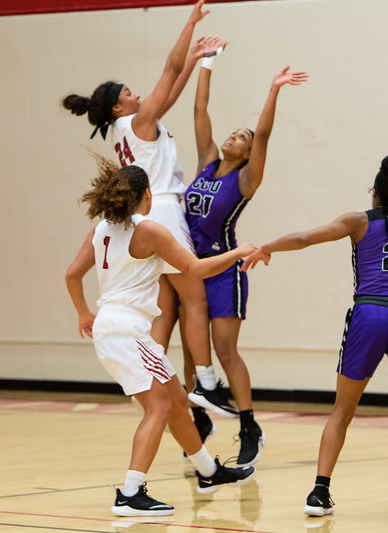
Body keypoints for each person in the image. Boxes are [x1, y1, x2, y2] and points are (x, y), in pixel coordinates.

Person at [243, 154, 388, 517]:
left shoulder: (358, 221)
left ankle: (320, 492)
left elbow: (304, 238)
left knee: (342, 409)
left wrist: (266, 248)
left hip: (368, 315)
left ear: (374, 193)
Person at [62, 0, 237, 420]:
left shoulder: (129, 128)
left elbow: (170, 91)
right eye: (128, 91)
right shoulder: (137, 121)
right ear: (118, 105)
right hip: (162, 212)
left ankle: (157, 378)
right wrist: (190, 25)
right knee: (194, 297)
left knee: (164, 306)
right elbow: (169, 71)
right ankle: (207, 383)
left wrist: (195, 58)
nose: (136, 92)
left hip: (143, 216)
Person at [64, 155, 255, 516]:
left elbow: (72, 275)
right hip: (127, 331)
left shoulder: (100, 229)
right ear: (147, 194)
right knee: (159, 407)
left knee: (177, 400)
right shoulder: (149, 230)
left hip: (118, 327)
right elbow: (195, 269)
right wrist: (238, 252)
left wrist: (84, 313)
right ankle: (130, 493)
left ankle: (208, 472)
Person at [185, 54, 308, 467]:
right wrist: (206, 64)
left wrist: (274, 89)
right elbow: (199, 110)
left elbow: (265, 135)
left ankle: (250, 426)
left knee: (225, 350)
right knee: (191, 351)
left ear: (248, 152)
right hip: (191, 269)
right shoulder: (206, 163)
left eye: (241, 137)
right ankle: (200, 419)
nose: (233, 136)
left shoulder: (245, 179)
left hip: (224, 270)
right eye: (234, 132)